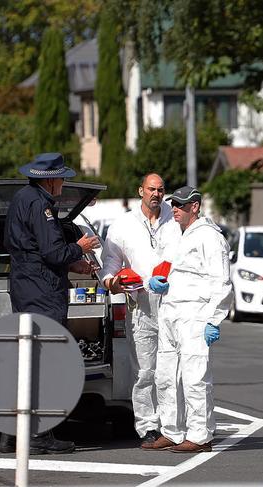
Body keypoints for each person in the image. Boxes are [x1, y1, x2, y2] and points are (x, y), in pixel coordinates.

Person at [1, 152, 101, 455]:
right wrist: (79, 247)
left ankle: (10, 433)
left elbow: (38, 252)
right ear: (51, 180)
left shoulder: (22, 198)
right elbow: (53, 252)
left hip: (28, 286)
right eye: (62, 178)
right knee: (44, 365)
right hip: (42, 293)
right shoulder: (40, 204)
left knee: (27, 363)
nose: (63, 183)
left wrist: (75, 265)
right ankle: (40, 435)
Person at [143, 186, 232, 453]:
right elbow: (171, 269)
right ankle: (171, 430)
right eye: (174, 205)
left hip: (195, 314)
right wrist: (155, 282)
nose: (176, 209)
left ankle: (200, 435)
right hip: (170, 311)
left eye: (181, 205)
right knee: (166, 375)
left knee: (195, 377)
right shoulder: (177, 234)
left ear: (196, 206)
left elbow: (222, 281)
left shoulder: (210, 238)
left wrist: (213, 319)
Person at [100, 173, 181, 447]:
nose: (156, 194)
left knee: (174, 367)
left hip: (175, 301)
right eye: (151, 189)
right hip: (142, 302)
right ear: (140, 191)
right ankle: (148, 426)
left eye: (160, 190)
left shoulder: (176, 219)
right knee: (145, 370)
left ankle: (175, 424)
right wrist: (112, 282)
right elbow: (110, 265)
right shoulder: (123, 226)